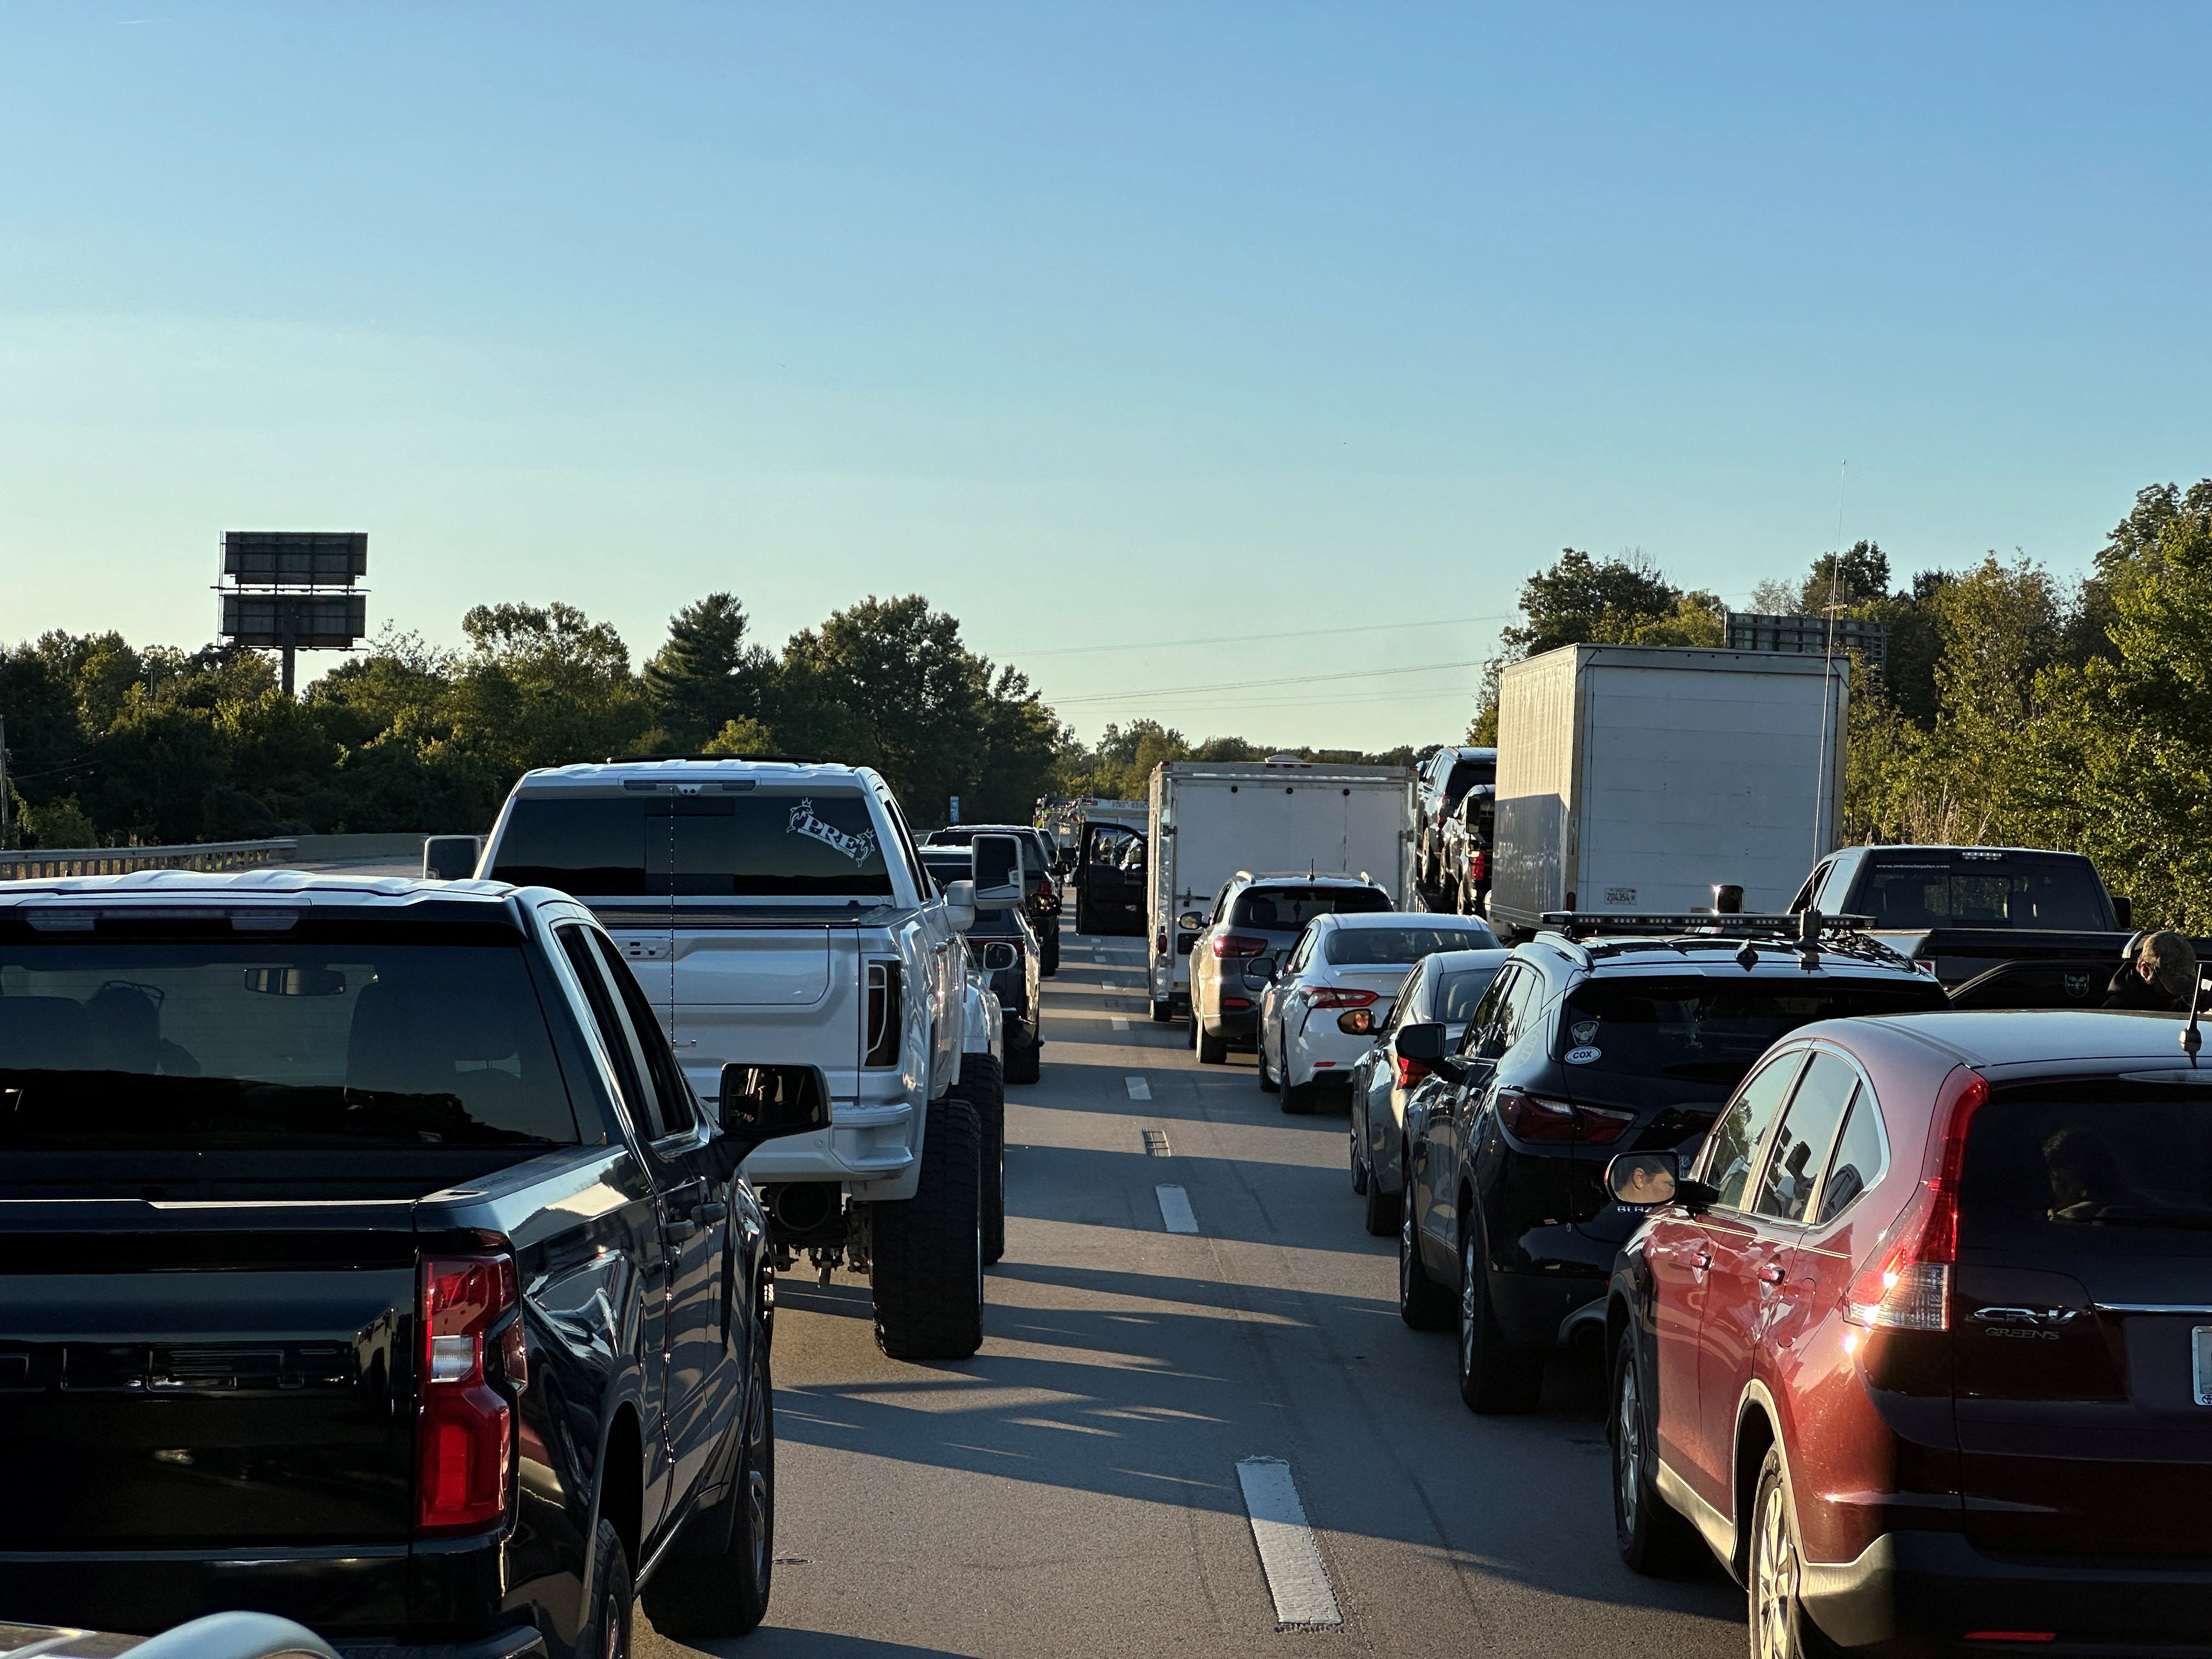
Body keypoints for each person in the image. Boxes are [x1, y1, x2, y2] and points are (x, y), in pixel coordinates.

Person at [2104, 930, 2199, 1013]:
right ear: (2145, 971)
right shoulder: (2117, 1012)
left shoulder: (2175, 1004)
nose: (2177, 996)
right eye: (2171, 983)